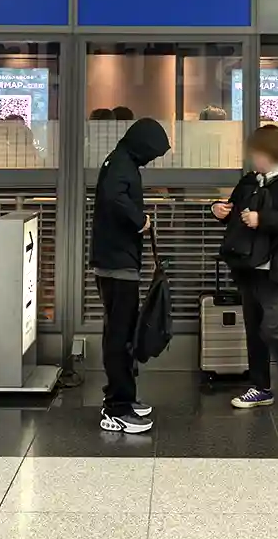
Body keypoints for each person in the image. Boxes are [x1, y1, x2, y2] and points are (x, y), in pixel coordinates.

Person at [213, 124, 278, 413]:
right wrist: (218, 209)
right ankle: (261, 387)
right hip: (249, 267)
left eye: (258, 154)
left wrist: (262, 219)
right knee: (254, 328)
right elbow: (231, 208)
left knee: (272, 326)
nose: (254, 159)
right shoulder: (251, 181)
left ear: (272, 154)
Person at [90, 117, 170, 433]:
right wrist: (140, 221)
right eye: (152, 152)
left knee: (119, 332)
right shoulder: (121, 165)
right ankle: (118, 409)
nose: (152, 159)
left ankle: (121, 397)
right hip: (117, 263)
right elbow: (114, 198)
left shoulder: (120, 160)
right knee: (120, 335)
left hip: (116, 260)